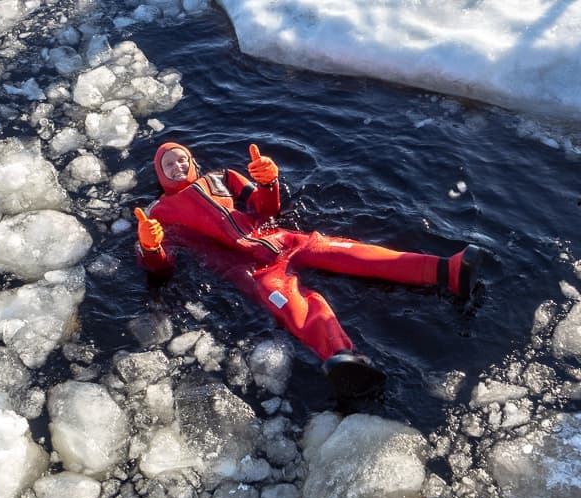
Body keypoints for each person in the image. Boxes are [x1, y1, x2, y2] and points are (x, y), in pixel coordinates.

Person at [134, 142, 482, 398]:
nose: (177, 166)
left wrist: (268, 183)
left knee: (357, 253)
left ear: (192, 161)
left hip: (286, 240)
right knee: (299, 309)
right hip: (253, 269)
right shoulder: (160, 212)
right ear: (160, 175)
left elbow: (266, 210)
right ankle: (344, 359)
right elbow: (162, 267)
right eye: (168, 164)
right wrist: (151, 247)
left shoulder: (223, 178)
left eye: (181, 158)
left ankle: (446, 271)